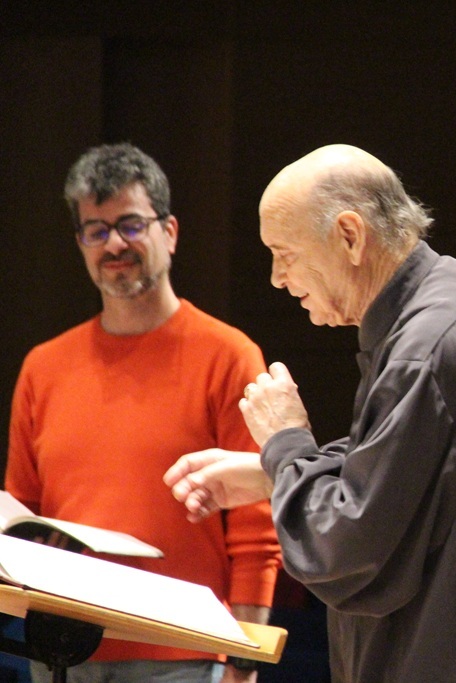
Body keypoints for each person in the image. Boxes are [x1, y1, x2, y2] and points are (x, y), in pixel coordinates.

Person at [163, 144, 456, 683]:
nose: (277, 278)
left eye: (285, 253)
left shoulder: (424, 346)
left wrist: (285, 440)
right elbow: (418, 473)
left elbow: (343, 553)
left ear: (350, 236)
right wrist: (271, 474)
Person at [5, 143, 281, 683]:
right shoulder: (43, 367)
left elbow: (255, 533)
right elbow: (20, 517)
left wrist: (244, 661)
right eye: (96, 230)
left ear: (169, 232)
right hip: (60, 652)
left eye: (131, 225)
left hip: (183, 655)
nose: (114, 244)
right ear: (81, 244)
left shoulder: (229, 356)